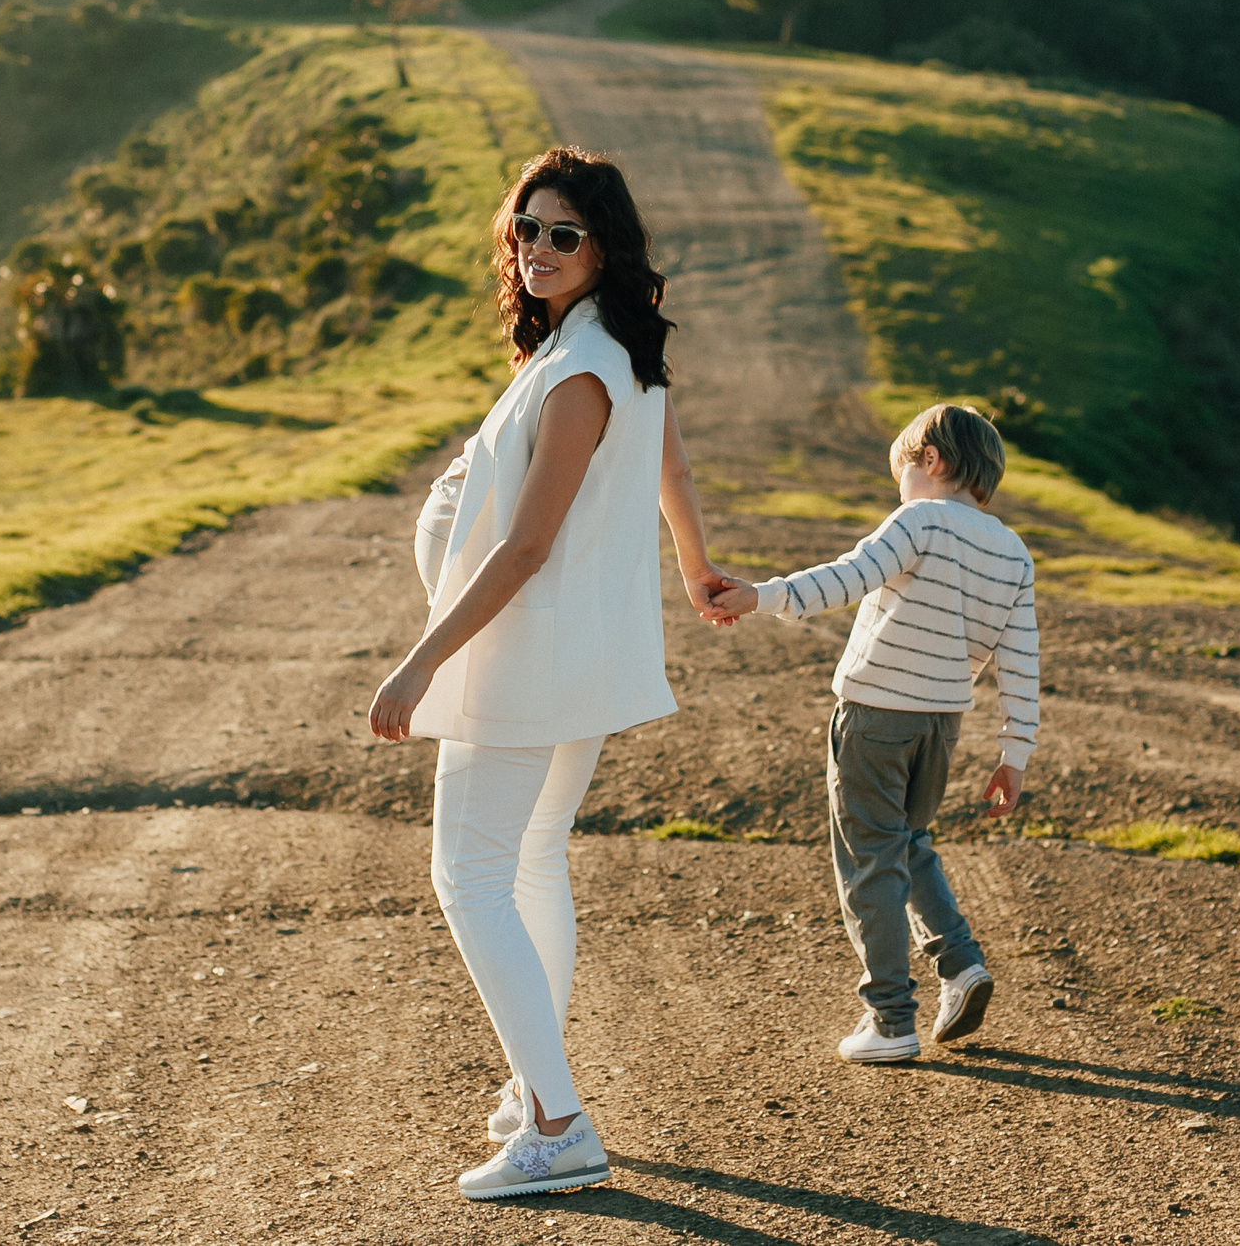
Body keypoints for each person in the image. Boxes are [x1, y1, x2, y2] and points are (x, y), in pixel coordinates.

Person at [370, 146, 733, 1201]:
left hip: (521, 656)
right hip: (572, 655)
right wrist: (695, 562)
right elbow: (665, 457)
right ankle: (535, 1089)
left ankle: (561, 1124)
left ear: (601, 246)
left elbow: (525, 547)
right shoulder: (607, 345)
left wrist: (417, 664)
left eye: (562, 233)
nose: (536, 248)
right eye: (526, 228)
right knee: (531, 861)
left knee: (467, 877)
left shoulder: (579, 372)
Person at [709, 403, 1040, 1063]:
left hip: (876, 718)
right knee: (908, 842)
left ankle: (891, 1017)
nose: (901, 492)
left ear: (932, 462)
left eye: (902, 475)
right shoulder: (1013, 550)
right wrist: (1015, 754)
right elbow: (1020, 657)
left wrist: (760, 595)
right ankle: (960, 965)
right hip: (941, 725)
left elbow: (848, 576)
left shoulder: (919, 519)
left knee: (870, 861)